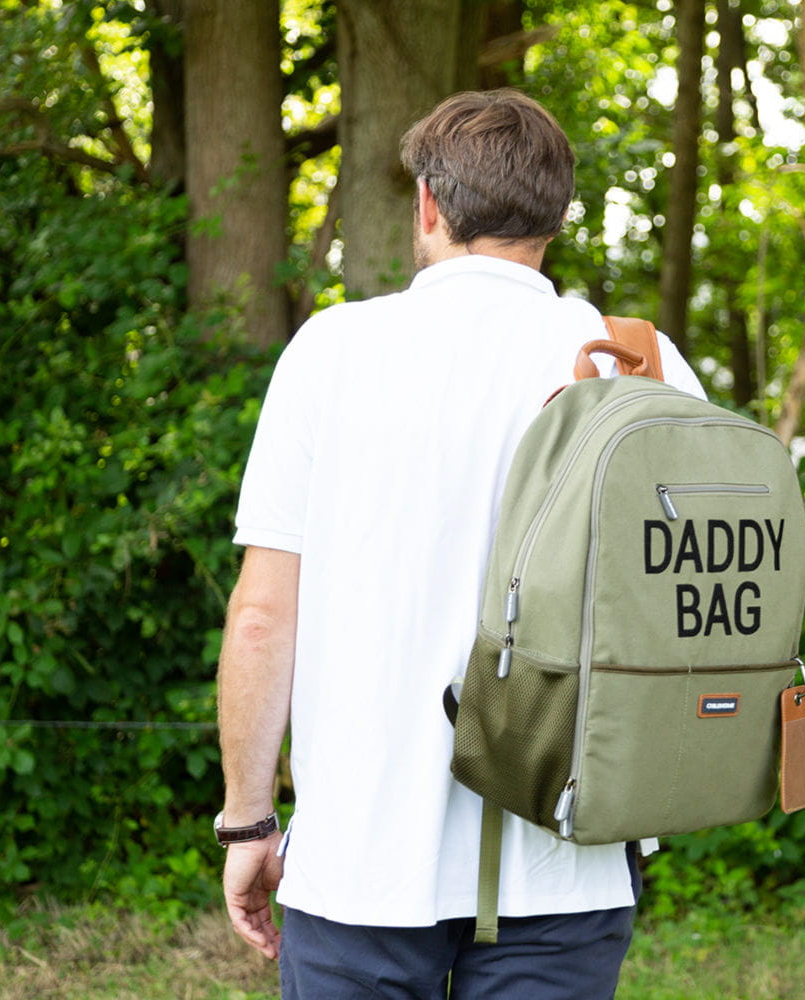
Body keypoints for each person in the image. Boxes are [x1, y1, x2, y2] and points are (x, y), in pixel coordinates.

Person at [216, 88, 706, 999]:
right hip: (568, 852)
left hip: (360, 862)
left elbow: (261, 618)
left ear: (429, 203)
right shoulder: (638, 359)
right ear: (556, 216)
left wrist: (248, 822)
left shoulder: (333, 351)